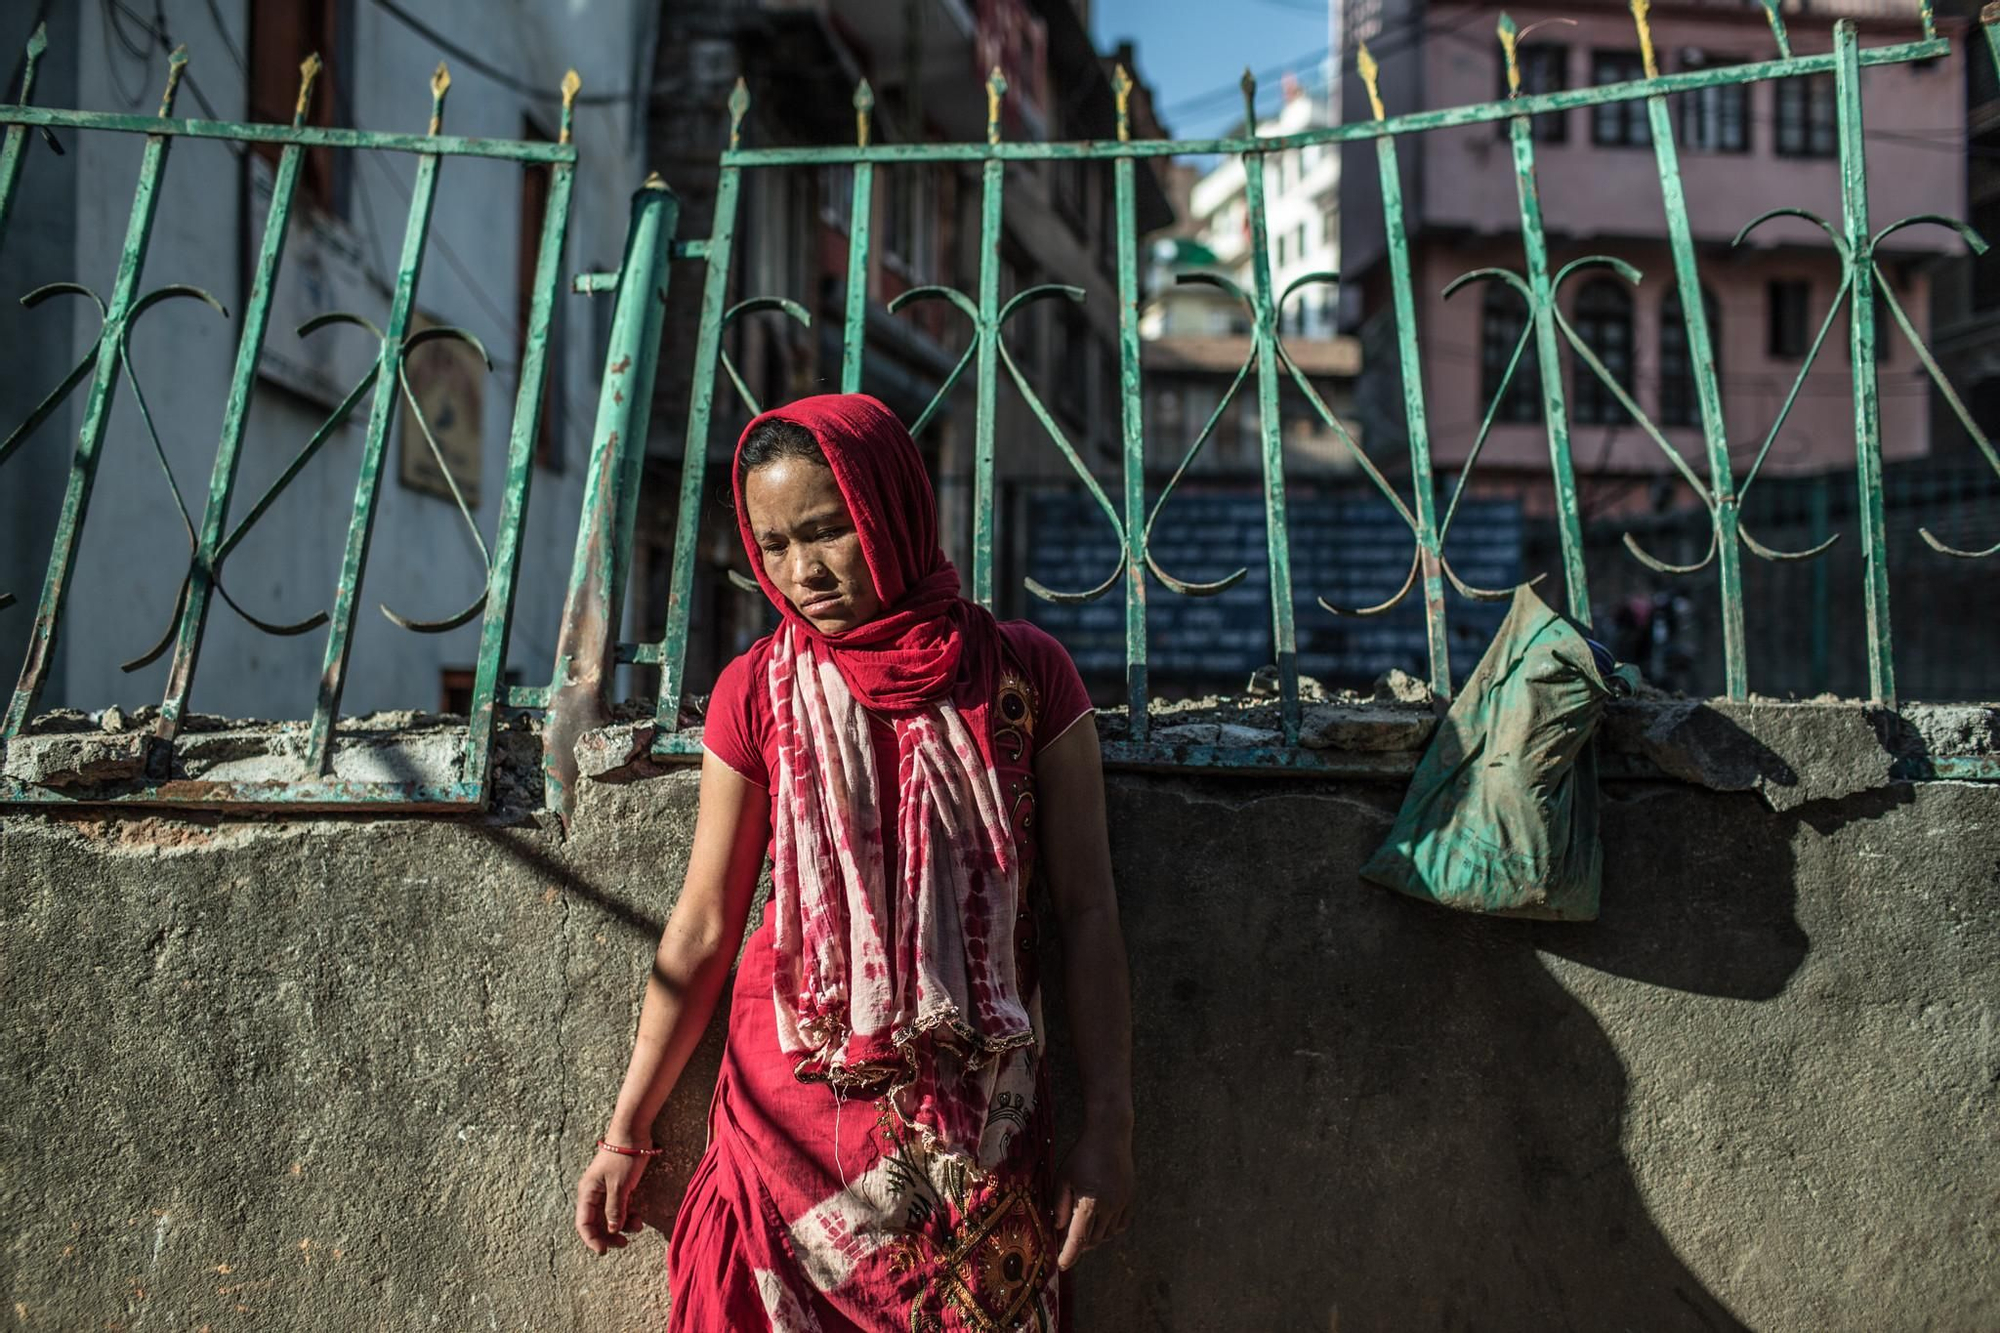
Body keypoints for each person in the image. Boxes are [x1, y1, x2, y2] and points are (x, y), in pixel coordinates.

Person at [573, 393, 1135, 1331]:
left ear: (892, 512)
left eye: (828, 530)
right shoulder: (756, 689)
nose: (802, 570)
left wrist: (1111, 1122)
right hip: (786, 1124)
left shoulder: (1025, 675)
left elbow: (1087, 911)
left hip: (975, 1138)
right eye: (774, 544)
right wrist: (628, 1127)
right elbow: (704, 924)